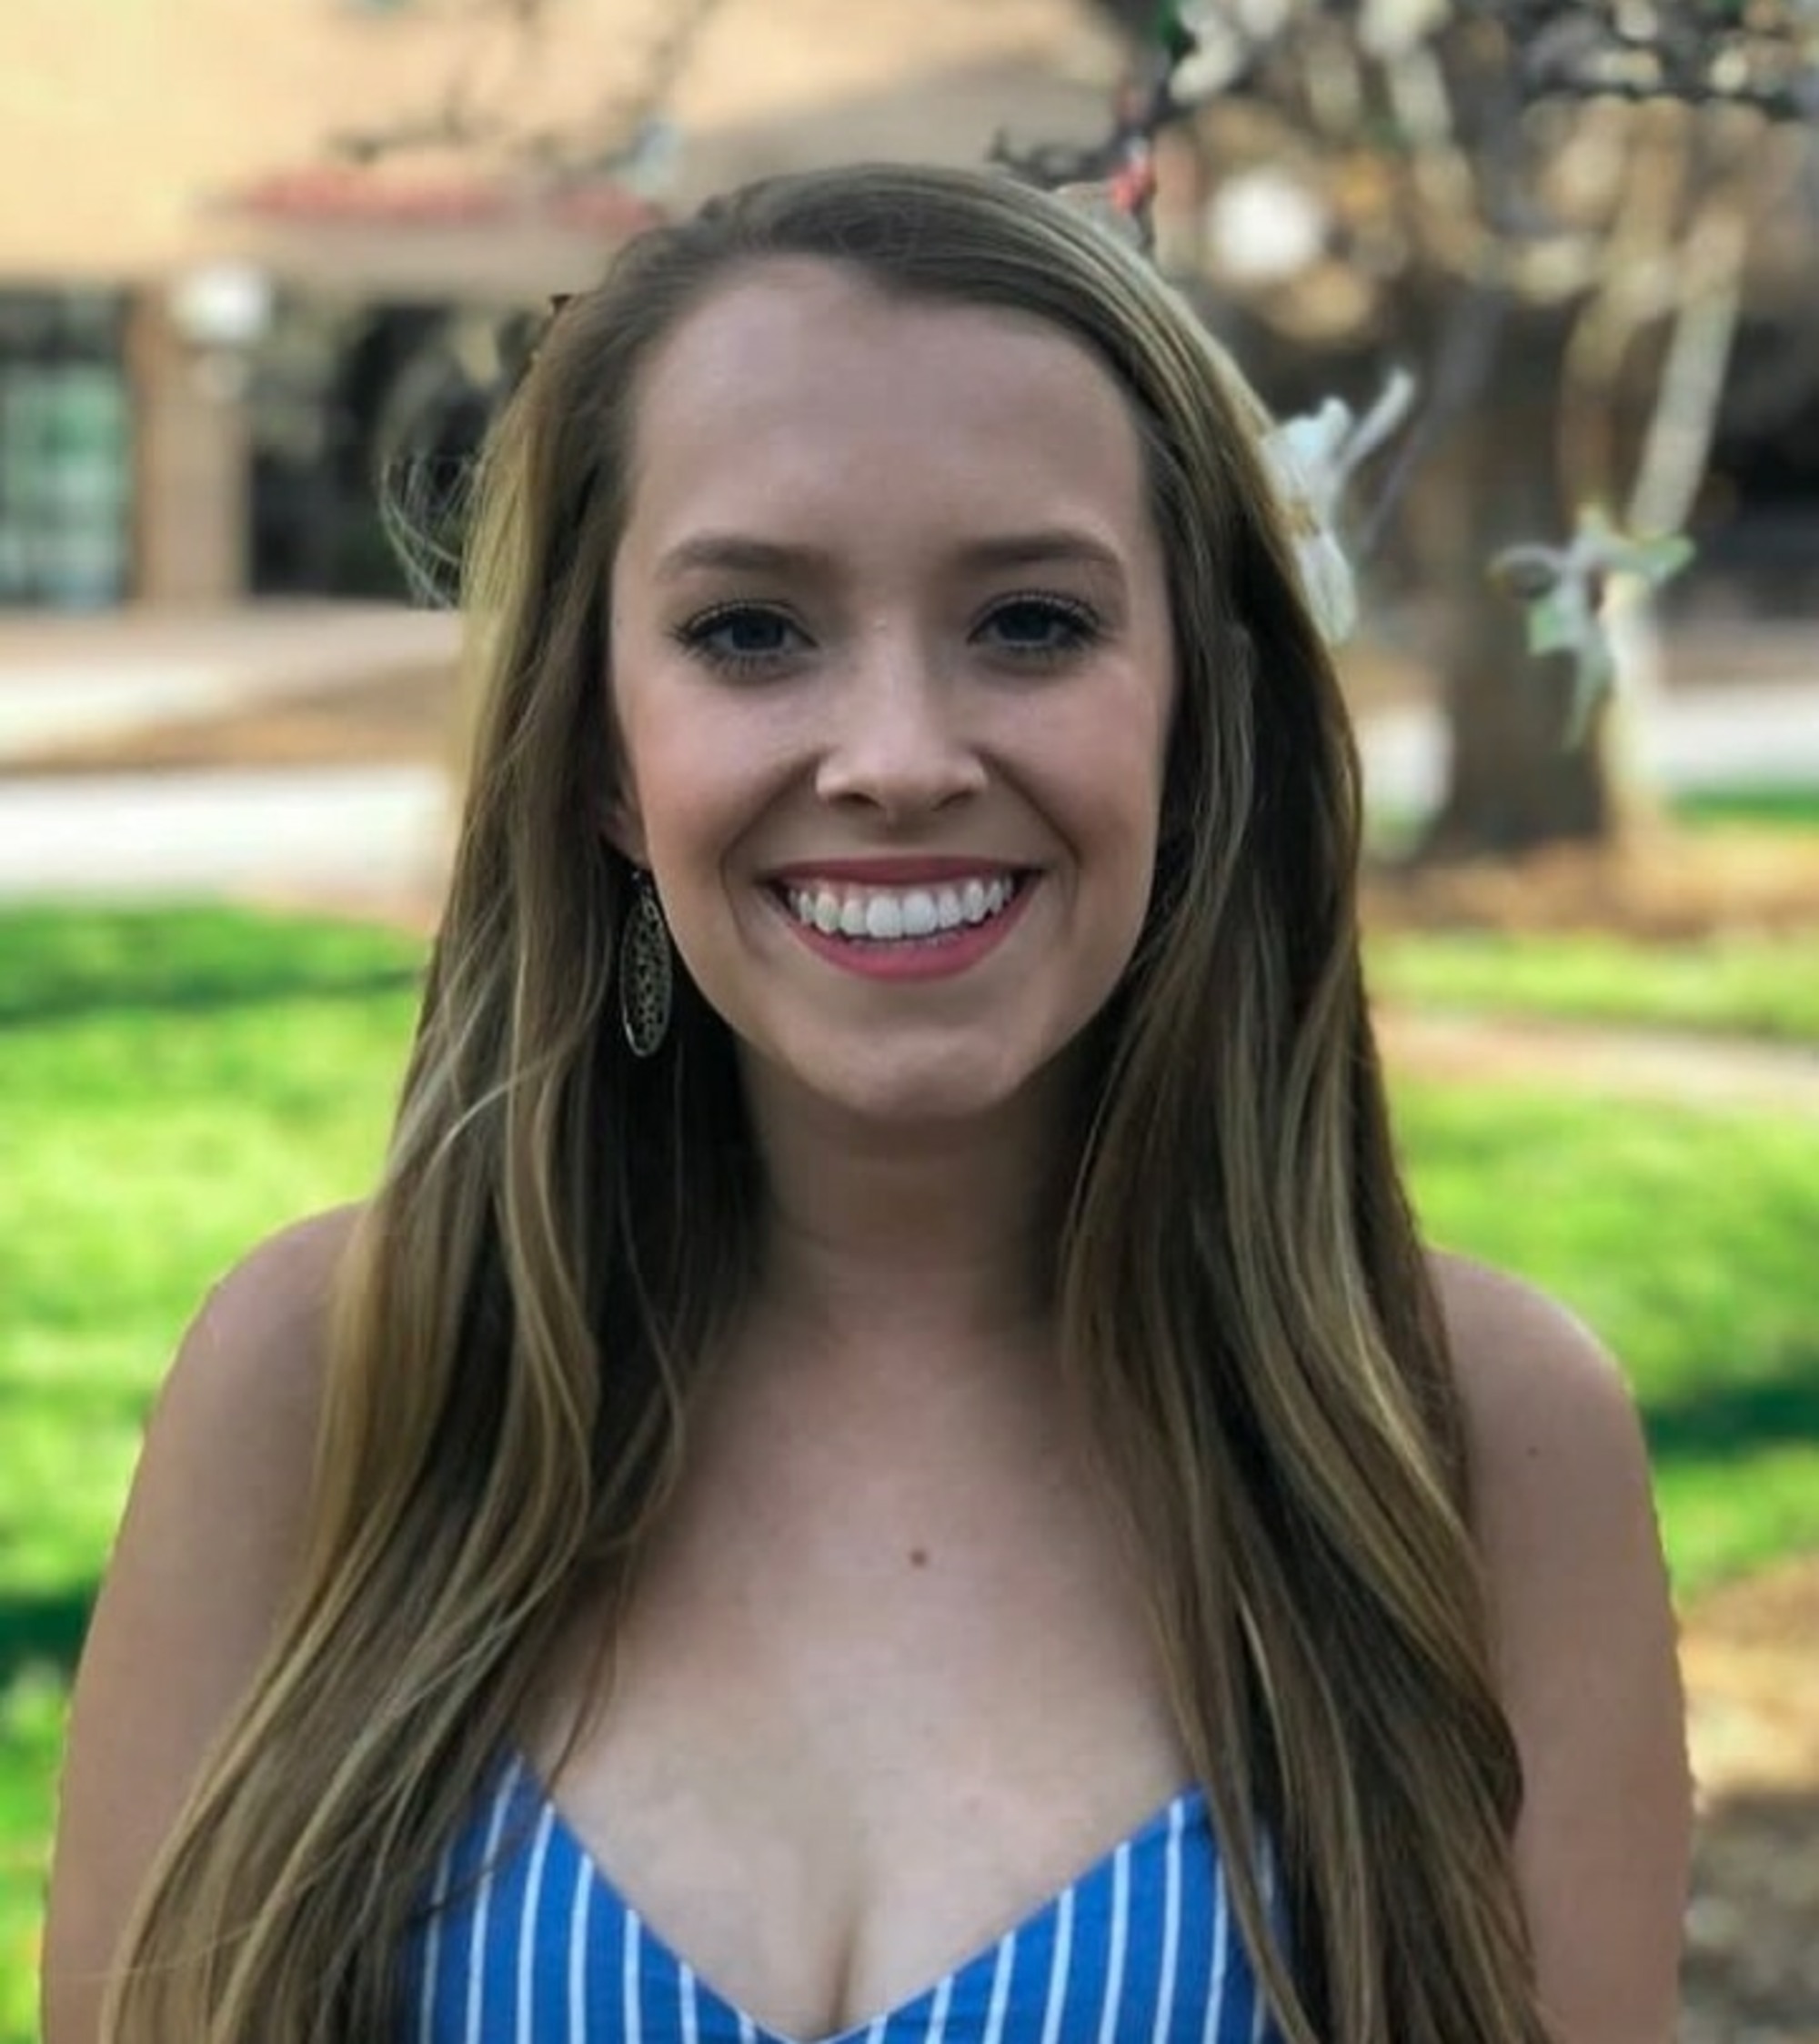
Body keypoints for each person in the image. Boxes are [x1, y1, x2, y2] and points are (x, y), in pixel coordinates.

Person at [42, 162, 1690, 2044]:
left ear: (1197, 713)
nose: (897, 758)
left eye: (1031, 623)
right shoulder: (327, 1379)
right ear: (599, 750)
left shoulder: (1477, 1435)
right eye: (751, 631)